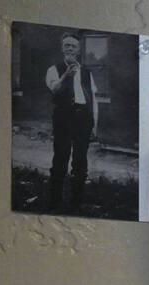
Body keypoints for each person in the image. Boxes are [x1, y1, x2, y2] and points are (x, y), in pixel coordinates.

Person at [44, 33, 95, 211]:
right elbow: (55, 91)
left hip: (84, 119)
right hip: (64, 117)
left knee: (80, 160)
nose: (70, 49)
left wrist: (94, 122)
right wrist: (66, 75)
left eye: (73, 46)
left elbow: (92, 98)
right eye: (67, 45)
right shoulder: (54, 69)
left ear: (79, 50)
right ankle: (55, 201)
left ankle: (76, 203)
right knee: (61, 157)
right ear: (62, 48)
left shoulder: (87, 72)